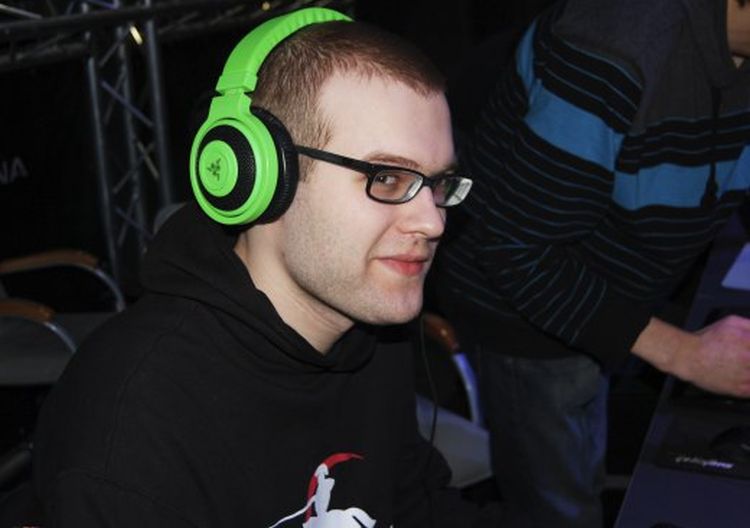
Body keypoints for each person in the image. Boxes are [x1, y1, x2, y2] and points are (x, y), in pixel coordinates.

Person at [32, 7, 497, 527]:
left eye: (438, 184)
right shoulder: (133, 432)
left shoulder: (371, 330)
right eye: (387, 178)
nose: (432, 221)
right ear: (257, 176)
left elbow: (414, 506)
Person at [433, 0, 750, 526]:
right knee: (562, 509)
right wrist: (686, 354)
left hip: (617, 291)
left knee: (593, 468)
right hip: (528, 316)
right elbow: (518, 254)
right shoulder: (610, 45)